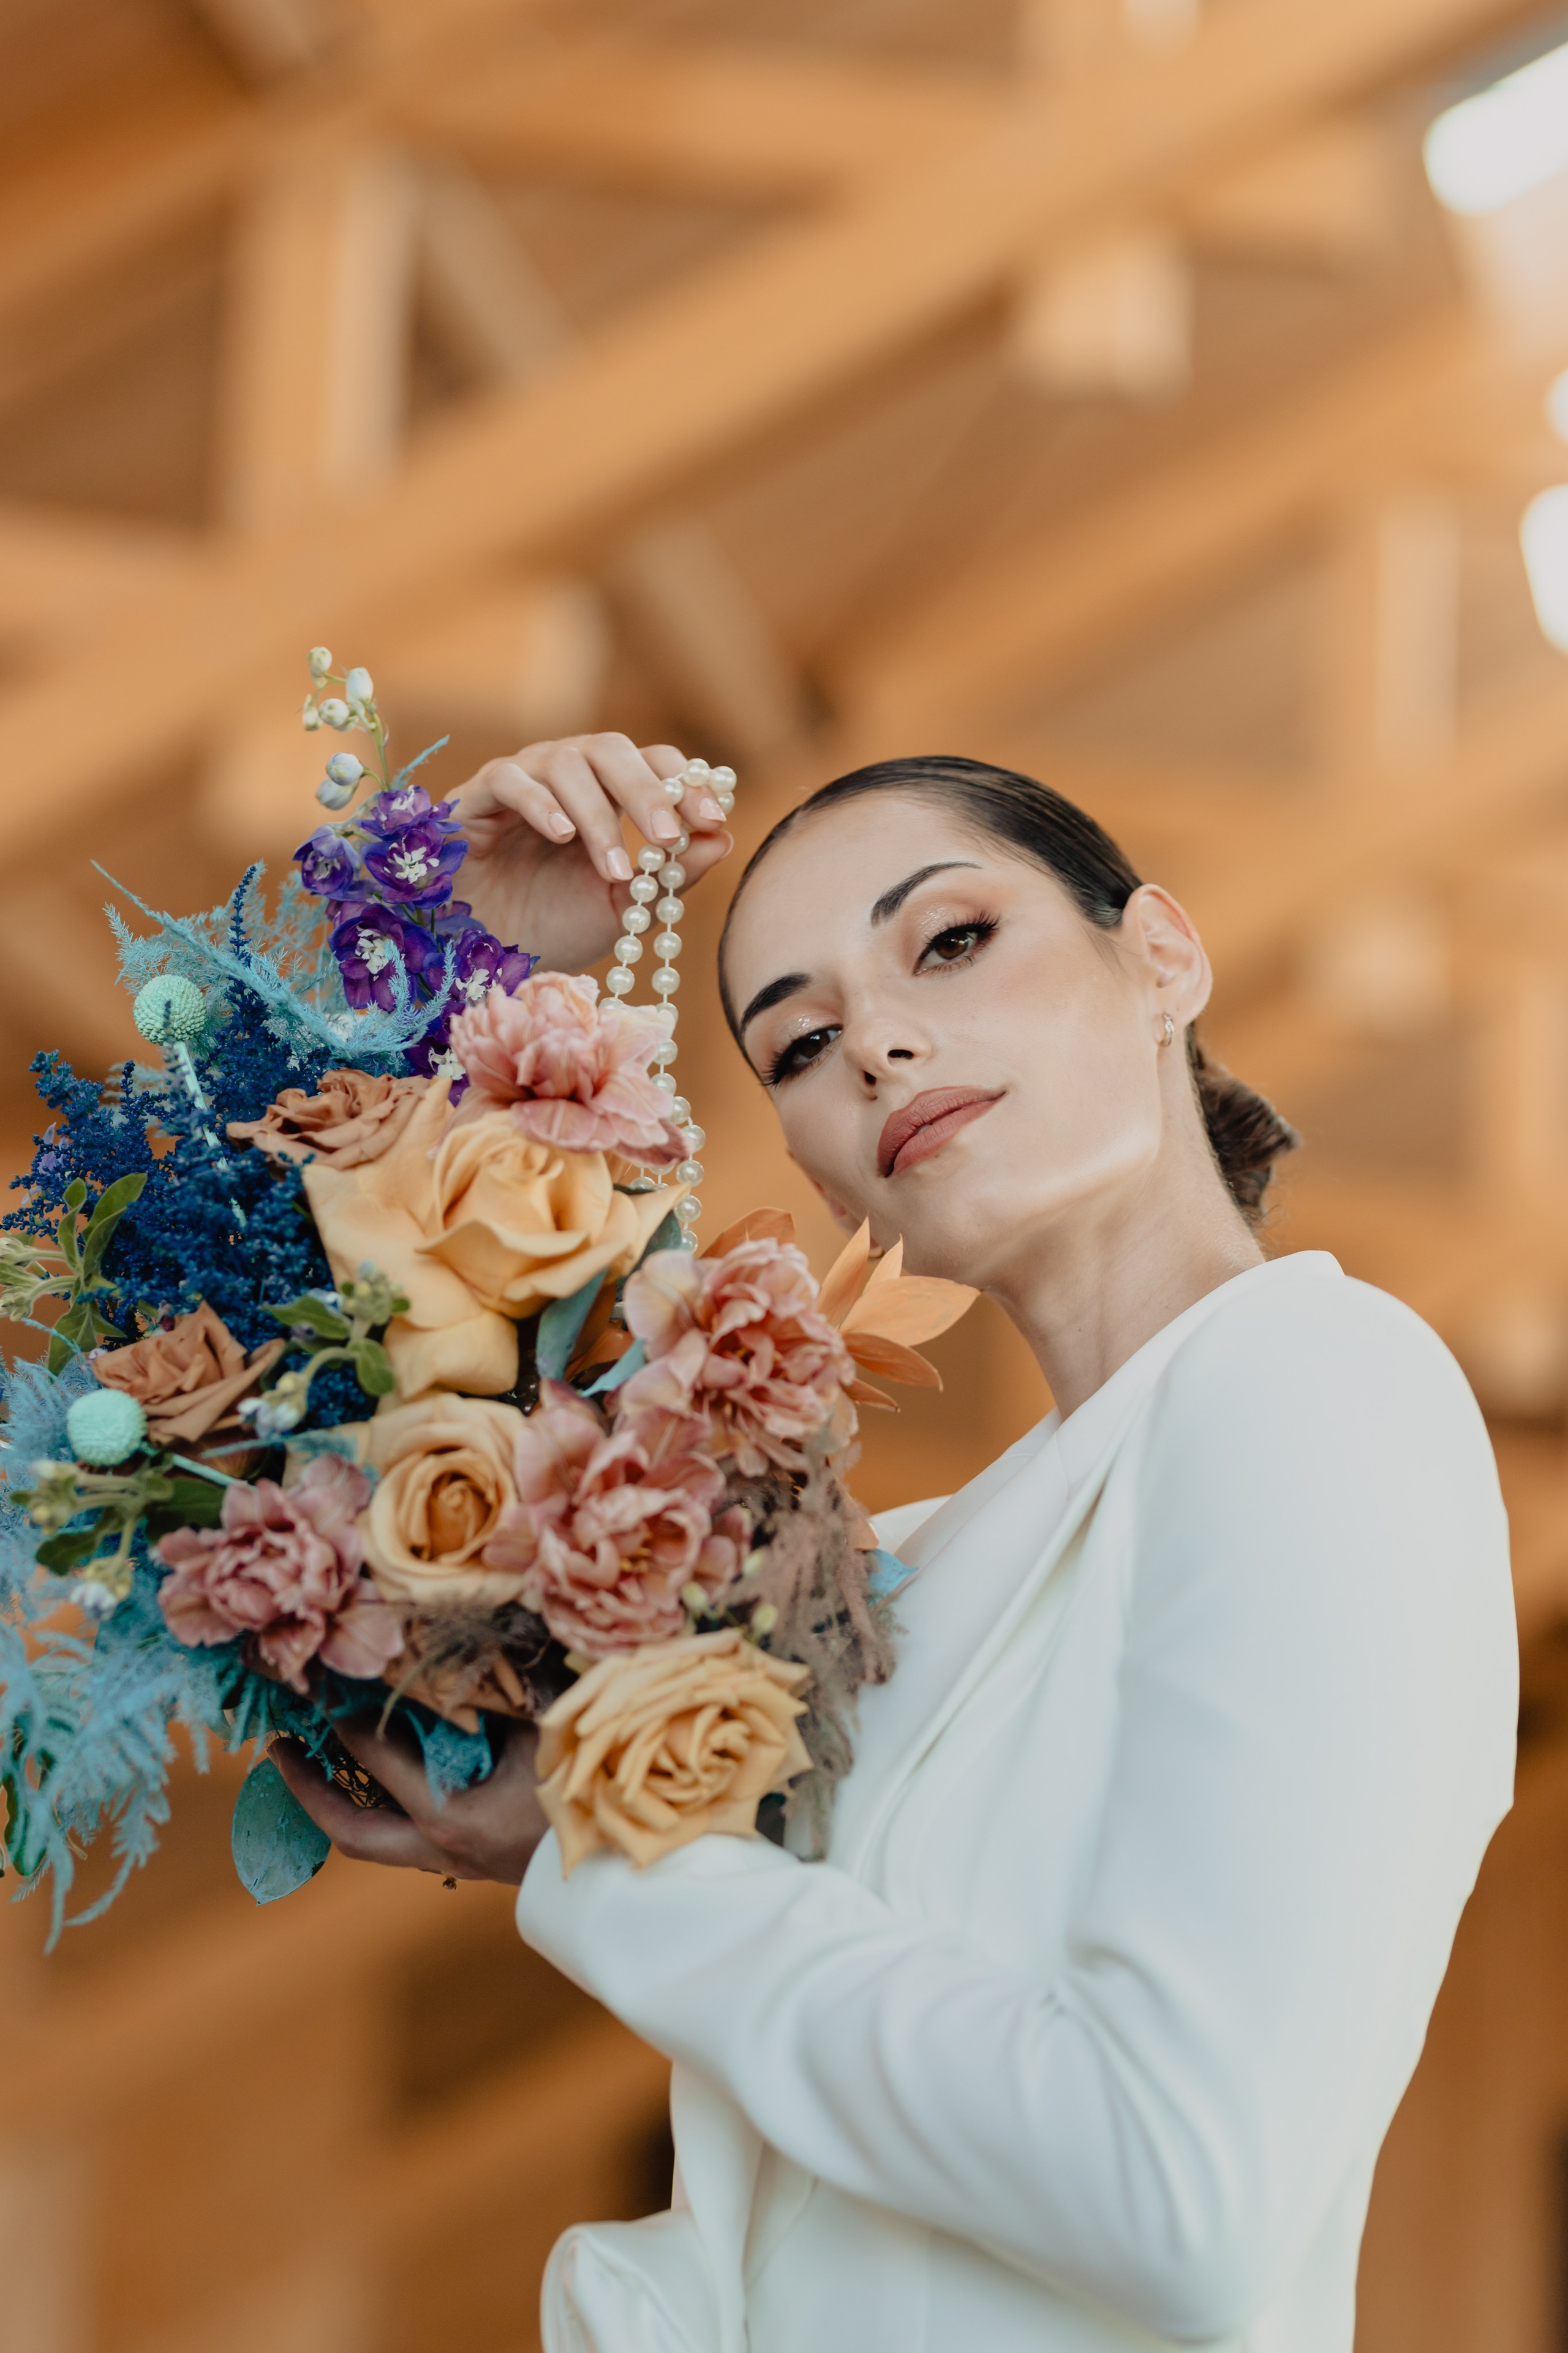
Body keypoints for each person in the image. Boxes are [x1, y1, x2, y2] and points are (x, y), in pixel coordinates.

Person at [279, 747, 1518, 2353]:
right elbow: (299, 1411)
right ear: (811, 1161)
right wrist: (460, 961)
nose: (873, 1042)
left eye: (949, 940)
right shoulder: (888, 1580)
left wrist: (612, 1858)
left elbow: (1182, 2194)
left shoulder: (1312, 1381)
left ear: (1162, 956)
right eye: (800, 1042)